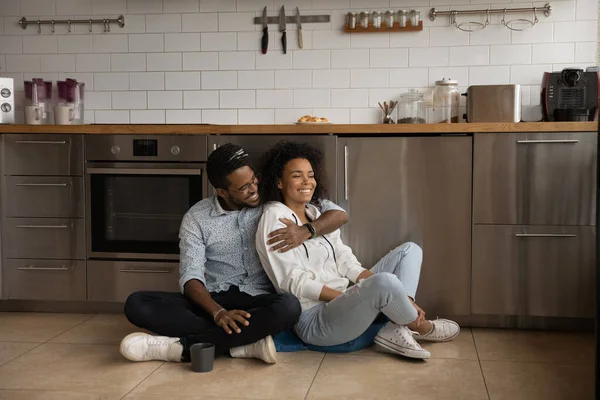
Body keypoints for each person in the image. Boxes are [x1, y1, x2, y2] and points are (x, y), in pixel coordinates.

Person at [120, 143, 348, 364]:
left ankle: (185, 347)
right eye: (243, 188)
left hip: (261, 299)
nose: (254, 189)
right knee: (137, 303)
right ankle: (244, 342)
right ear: (221, 191)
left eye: (254, 180)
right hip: (215, 300)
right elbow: (191, 277)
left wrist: (306, 230)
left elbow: (339, 215)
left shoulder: (273, 199)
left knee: (288, 307)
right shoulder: (197, 218)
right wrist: (218, 313)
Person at [255, 141, 460, 360]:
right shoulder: (274, 218)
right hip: (315, 319)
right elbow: (292, 282)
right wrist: (347, 296)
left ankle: (398, 320)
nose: (307, 181)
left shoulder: (315, 214)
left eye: (310, 174)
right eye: (297, 175)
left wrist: (401, 298)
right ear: (279, 181)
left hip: (344, 302)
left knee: (410, 250)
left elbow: (346, 262)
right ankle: (422, 327)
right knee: (384, 282)